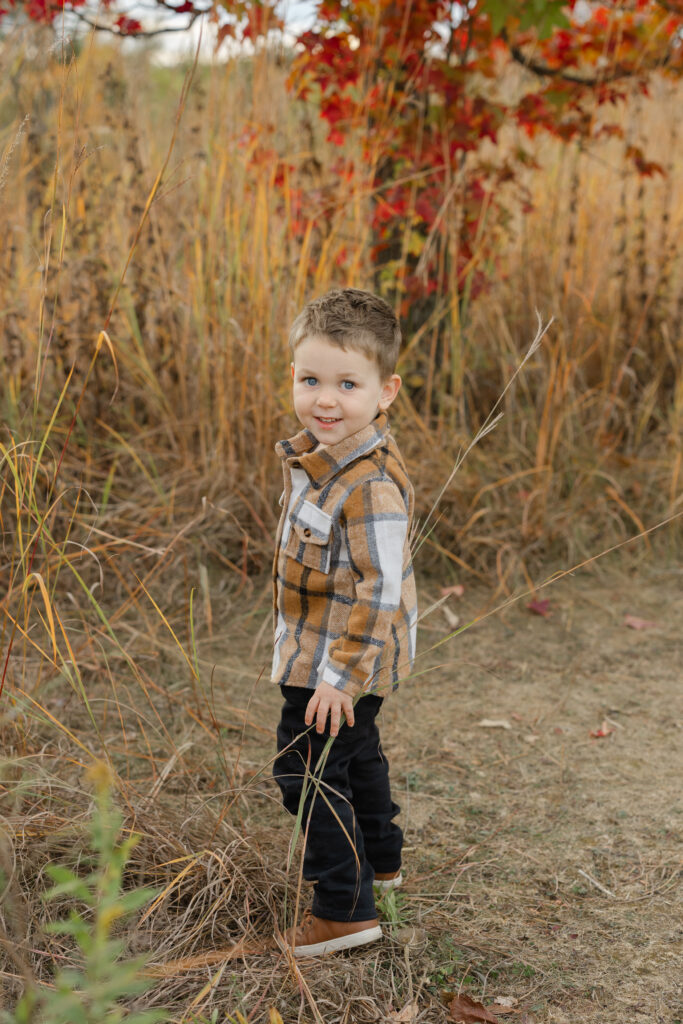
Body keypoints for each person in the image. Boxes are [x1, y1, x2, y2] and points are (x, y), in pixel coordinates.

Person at [271, 287, 418, 957]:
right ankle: (382, 865)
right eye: (310, 380)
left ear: (384, 391)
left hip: (336, 665)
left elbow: (378, 591)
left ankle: (343, 906)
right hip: (327, 656)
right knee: (354, 758)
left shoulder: (368, 485)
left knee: (300, 766)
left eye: (346, 384)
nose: (324, 399)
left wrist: (337, 678)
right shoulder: (319, 463)